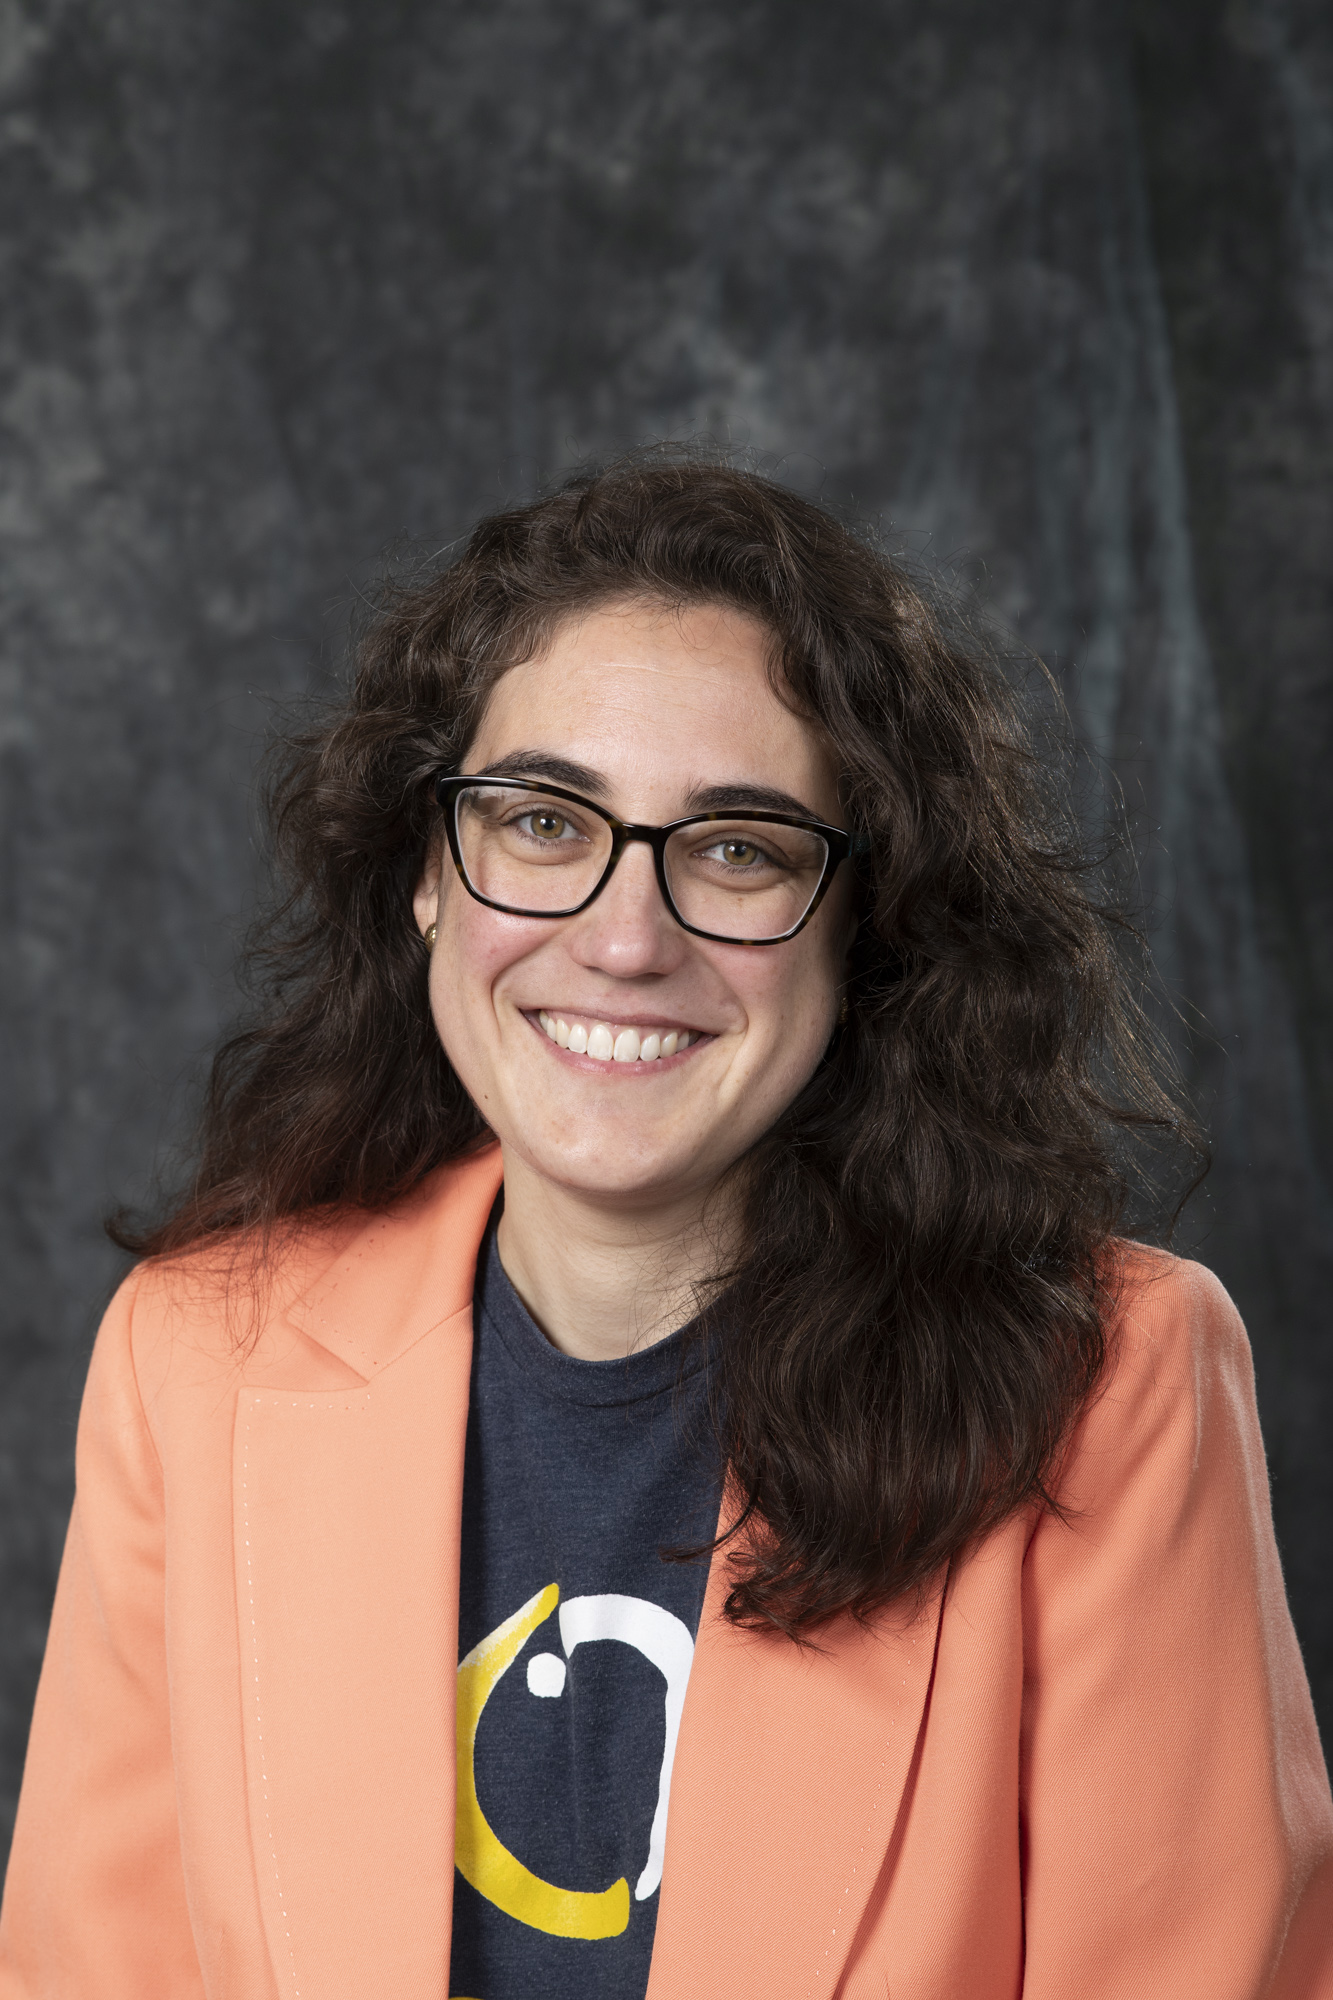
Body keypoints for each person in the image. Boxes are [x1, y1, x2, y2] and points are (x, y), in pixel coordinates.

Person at [1, 454, 1330, 2000]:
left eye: (737, 849)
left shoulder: (1110, 1387)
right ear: (427, 873)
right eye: (544, 822)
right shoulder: (196, 1361)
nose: (626, 938)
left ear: (864, 926)